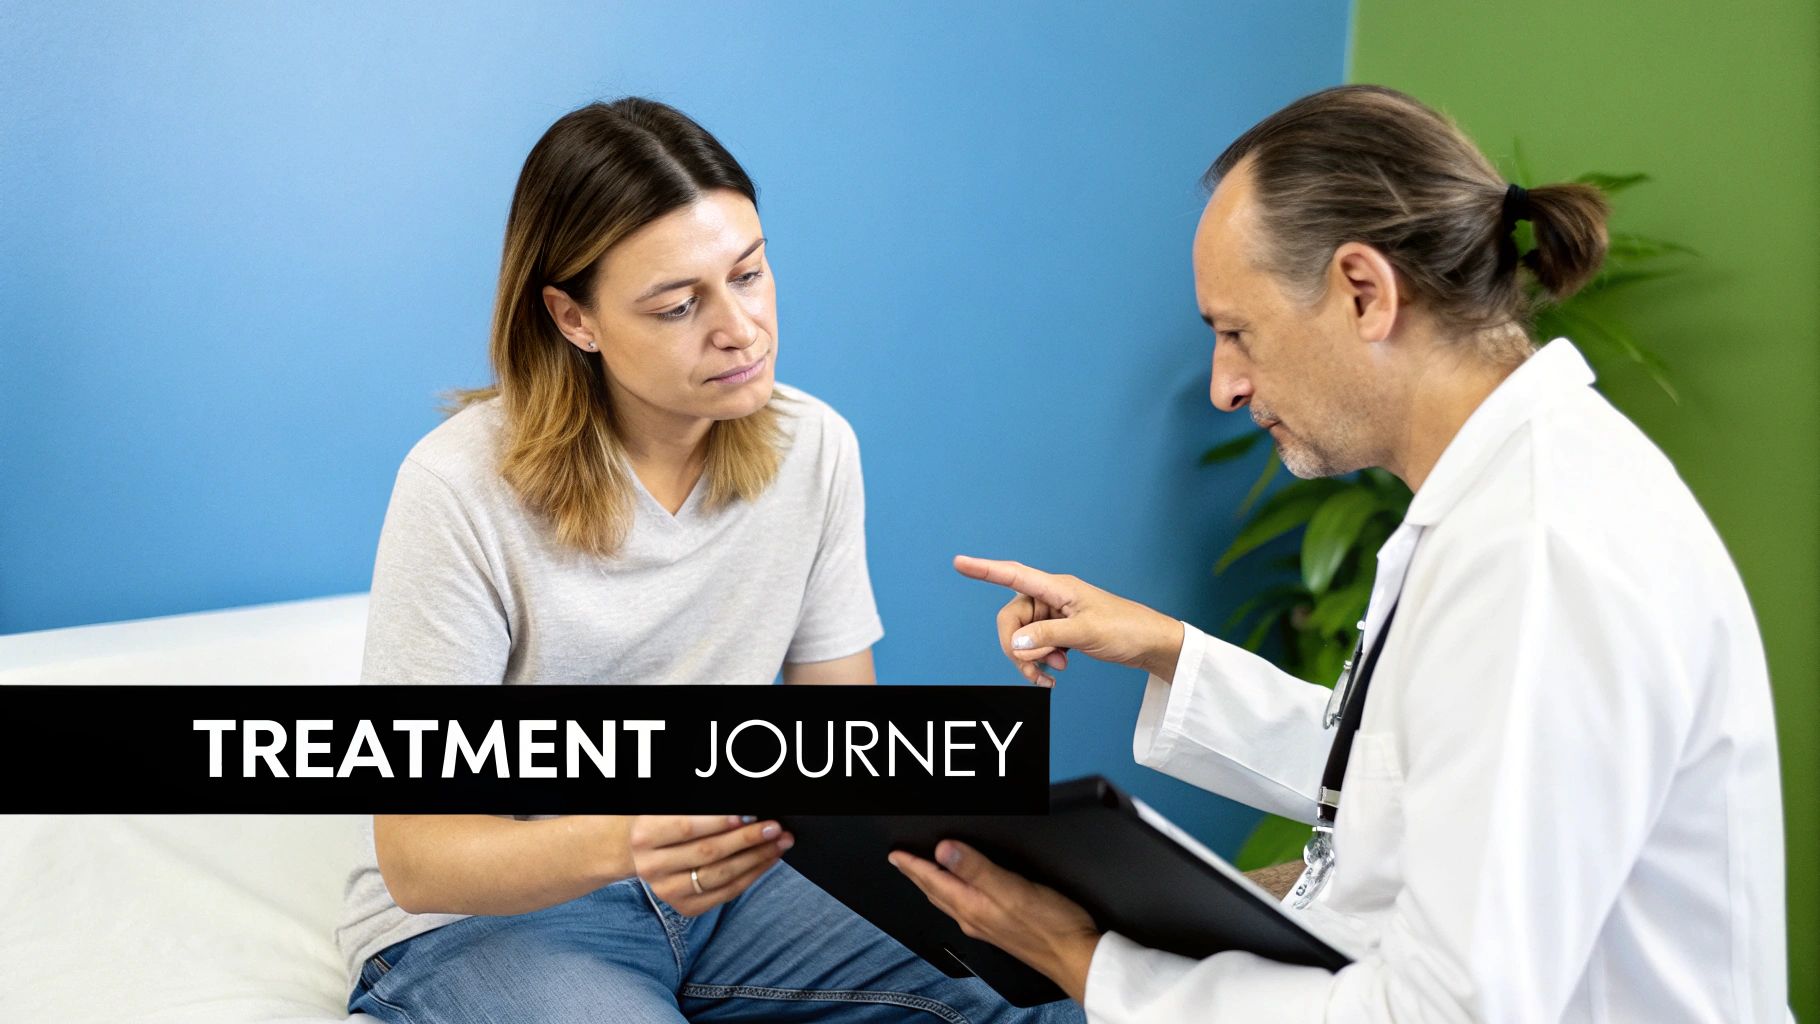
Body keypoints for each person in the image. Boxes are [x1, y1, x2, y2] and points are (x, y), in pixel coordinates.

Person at [890, 85, 1788, 1022]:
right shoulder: (1503, 497)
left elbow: (1448, 1013)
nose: (1225, 387)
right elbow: (1413, 776)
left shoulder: (1539, 550)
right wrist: (1168, 648)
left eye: (1237, 333)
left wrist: (1090, 964)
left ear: (1365, 292)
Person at [336, 97, 1083, 1024]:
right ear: (574, 318)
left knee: (1036, 995)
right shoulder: (457, 486)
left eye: (751, 274)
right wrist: (631, 842)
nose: (741, 329)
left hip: (738, 885)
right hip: (487, 920)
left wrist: (978, 761)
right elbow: (418, 856)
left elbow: (840, 753)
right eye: (679, 305)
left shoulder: (814, 448)